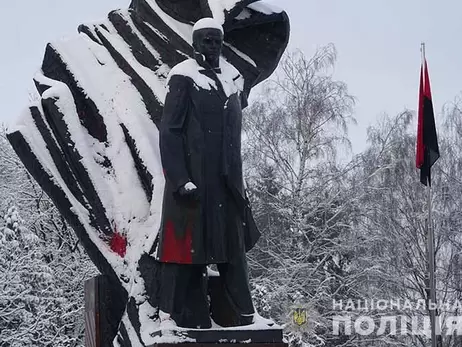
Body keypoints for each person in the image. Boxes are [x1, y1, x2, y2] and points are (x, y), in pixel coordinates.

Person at [156, 17, 261, 329]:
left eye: (217, 40)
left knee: (233, 249)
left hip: (225, 182)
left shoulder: (230, 79)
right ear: (195, 43)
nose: (213, 46)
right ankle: (174, 316)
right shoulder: (183, 77)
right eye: (207, 40)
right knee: (187, 251)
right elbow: (170, 132)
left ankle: (246, 316)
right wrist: (179, 179)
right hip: (193, 181)